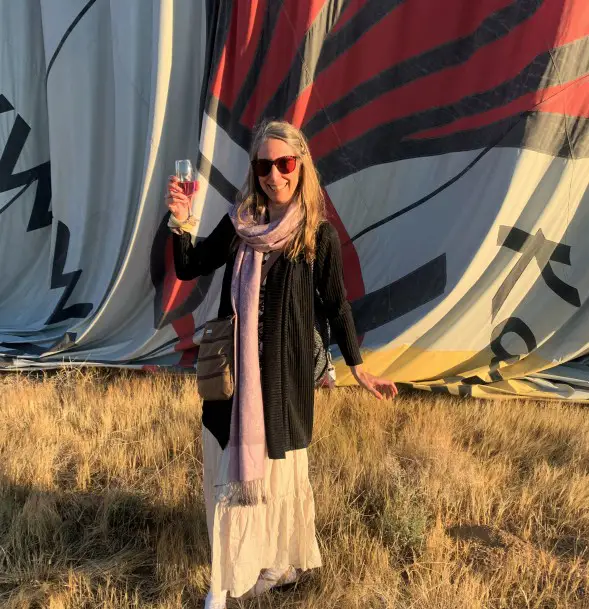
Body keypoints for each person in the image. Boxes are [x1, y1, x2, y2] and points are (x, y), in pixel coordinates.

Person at [165, 120, 398, 609]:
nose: (275, 175)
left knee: (277, 476)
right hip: (235, 379)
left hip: (285, 382)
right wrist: (181, 221)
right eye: (264, 166)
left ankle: (276, 565)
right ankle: (224, 584)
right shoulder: (239, 223)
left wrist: (358, 367)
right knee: (234, 473)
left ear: (302, 164)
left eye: (285, 164)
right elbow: (190, 267)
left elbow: (336, 305)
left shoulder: (317, 236)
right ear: (255, 171)